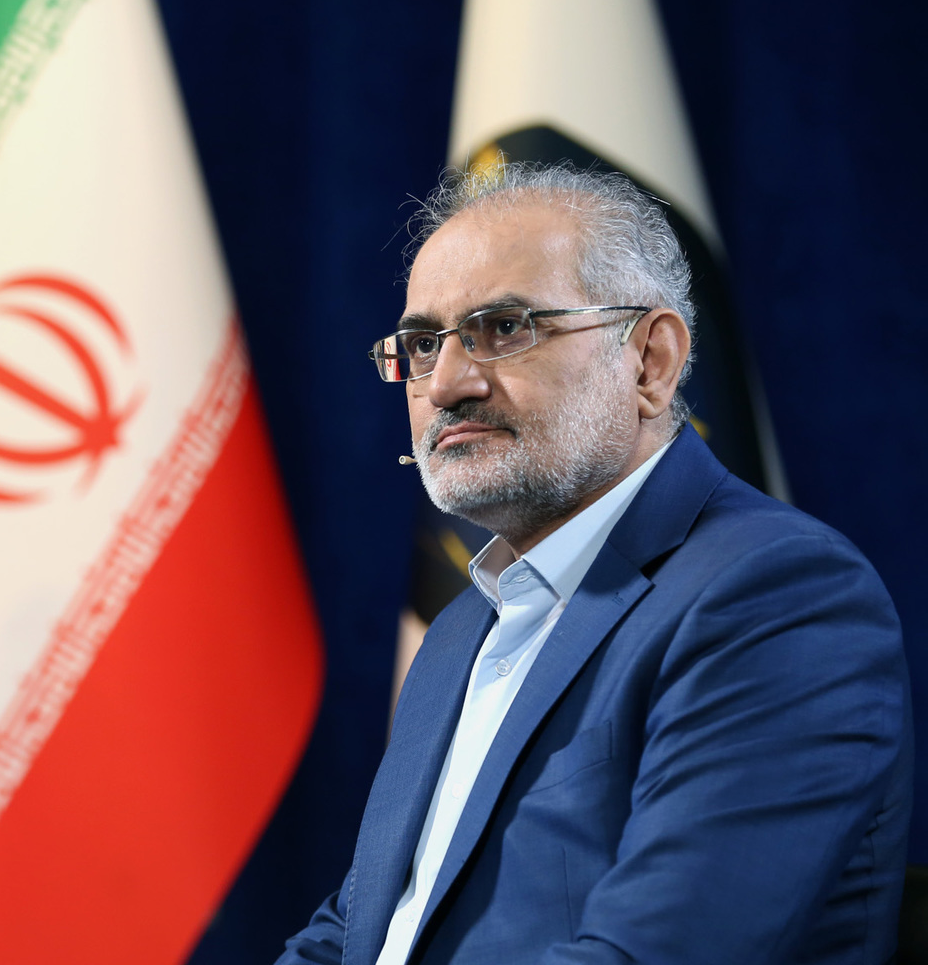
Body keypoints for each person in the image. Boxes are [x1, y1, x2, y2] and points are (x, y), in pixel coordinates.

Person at [278, 163, 912, 965]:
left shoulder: (777, 597)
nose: (446, 385)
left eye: (504, 328)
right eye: (424, 345)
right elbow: (360, 931)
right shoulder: (461, 630)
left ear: (650, 361)